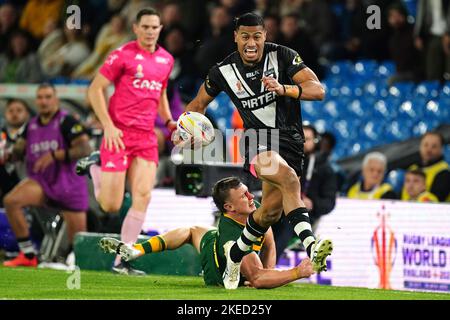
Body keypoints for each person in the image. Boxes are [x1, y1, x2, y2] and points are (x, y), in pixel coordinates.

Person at [174, 12, 332, 289]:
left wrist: (284, 88)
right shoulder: (222, 71)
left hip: (292, 143)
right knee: (290, 180)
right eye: (245, 36)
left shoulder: (283, 56)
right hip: (257, 141)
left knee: (269, 213)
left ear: (264, 36)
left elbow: (317, 90)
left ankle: (234, 256)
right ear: (236, 37)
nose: (251, 42)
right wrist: (184, 130)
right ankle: (312, 247)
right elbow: (197, 105)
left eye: (257, 36)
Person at [76, 8, 177, 275]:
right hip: (118, 133)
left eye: (154, 27)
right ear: (135, 28)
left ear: (160, 29)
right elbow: (94, 89)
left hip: (145, 137)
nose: (150, 32)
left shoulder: (166, 60)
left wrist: (168, 122)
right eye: (145, 27)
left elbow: (161, 94)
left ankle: (123, 260)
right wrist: (107, 126)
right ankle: (94, 167)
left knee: (143, 196)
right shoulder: (122, 54)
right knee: (110, 205)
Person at [99, 177, 315, 289]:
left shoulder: (253, 207)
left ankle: (135, 250)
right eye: (243, 196)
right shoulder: (232, 235)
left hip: (216, 239)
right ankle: (135, 250)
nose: (251, 196)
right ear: (229, 208)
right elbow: (257, 279)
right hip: (216, 264)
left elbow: (269, 241)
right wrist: (297, 272)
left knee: (192, 230)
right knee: (198, 235)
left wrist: (270, 271)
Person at [2, 83, 91, 267]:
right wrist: (8, 155)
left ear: (56, 99)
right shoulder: (31, 125)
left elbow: (85, 148)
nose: (44, 101)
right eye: (40, 97)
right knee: (11, 201)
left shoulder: (67, 121)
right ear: (36, 101)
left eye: (48, 97)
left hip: (68, 184)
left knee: (79, 244)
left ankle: (75, 265)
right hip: (42, 182)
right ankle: (27, 255)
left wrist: (54, 155)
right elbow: (19, 149)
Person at [272, 124, 337, 261]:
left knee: (285, 225)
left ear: (316, 142)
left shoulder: (325, 169)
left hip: (303, 215)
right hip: (277, 208)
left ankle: (267, 268)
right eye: (299, 138)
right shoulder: (283, 160)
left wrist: (312, 203)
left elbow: (329, 203)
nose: (302, 143)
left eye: (307, 139)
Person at [401, 132, 450, 202]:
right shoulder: (412, 168)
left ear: (441, 149)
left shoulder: (445, 172)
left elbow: (436, 202)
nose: (429, 150)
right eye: (425, 145)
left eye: (434, 146)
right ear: (420, 146)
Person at [0, 99, 30, 203]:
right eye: (11, 111)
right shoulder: (1, 135)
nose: (14, 114)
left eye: (19, 110)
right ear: (5, 113)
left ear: (27, 113)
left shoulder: (34, 134)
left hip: (28, 187)